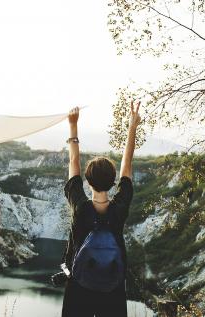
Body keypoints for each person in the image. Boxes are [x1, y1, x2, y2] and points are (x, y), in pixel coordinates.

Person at [61, 102, 141, 317]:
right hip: (112, 287)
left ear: (87, 181)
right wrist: (132, 126)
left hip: (79, 286)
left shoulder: (80, 208)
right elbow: (127, 162)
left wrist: (73, 125)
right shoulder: (119, 208)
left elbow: (73, 160)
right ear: (113, 181)